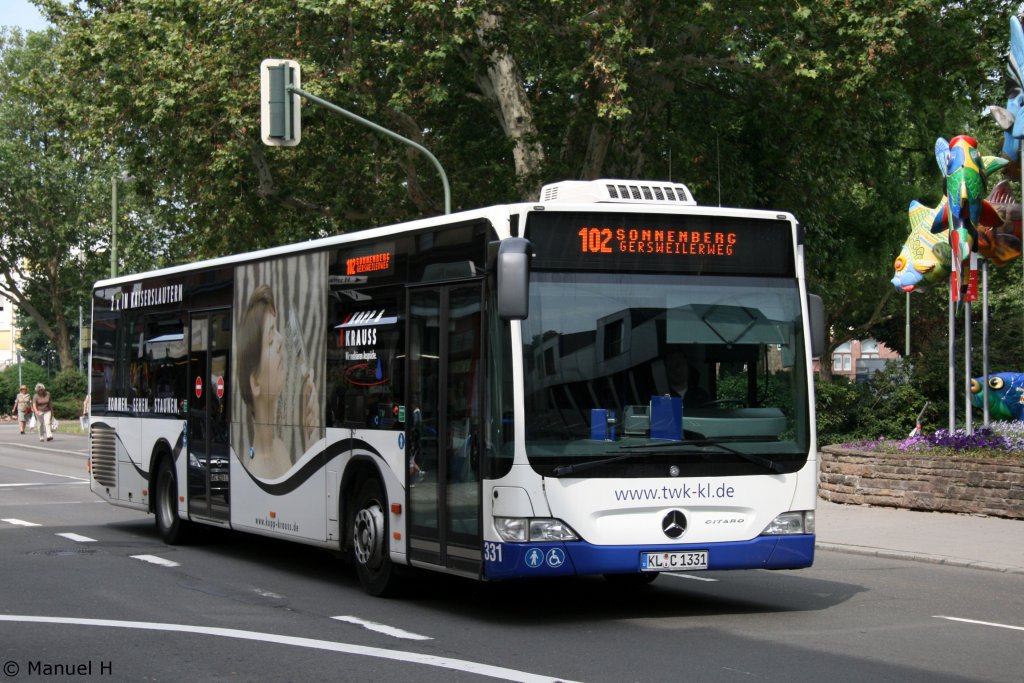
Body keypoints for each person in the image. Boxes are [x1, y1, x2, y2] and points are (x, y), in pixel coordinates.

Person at [237, 284, 319, 478]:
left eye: (277, 330)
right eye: (270, 339)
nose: (281, 339)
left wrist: (311, 444)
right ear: (255, 383)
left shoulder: (280, 448)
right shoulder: (257, 471)